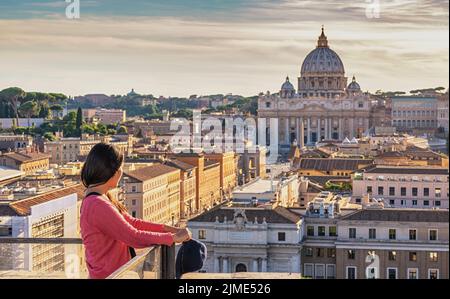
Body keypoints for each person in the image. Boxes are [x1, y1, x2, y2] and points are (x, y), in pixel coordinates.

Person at [80, 143, 191, 279]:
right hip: (110, 276)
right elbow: (132, 236)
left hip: (110, 274)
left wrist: (169, 229)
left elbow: (133, 223)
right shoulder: (97, 204)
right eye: (120, 167)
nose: (121, 172)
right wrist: (172, 238)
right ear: (113, 171)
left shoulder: (98, 198)